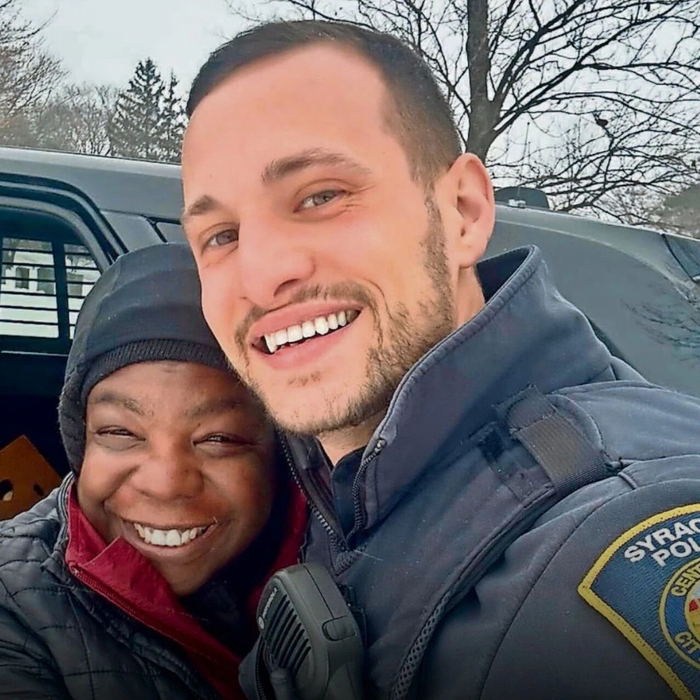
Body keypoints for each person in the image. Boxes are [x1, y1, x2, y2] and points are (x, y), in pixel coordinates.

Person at [181, 20, 700, 700]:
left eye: (320, 197)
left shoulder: (608, 558)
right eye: (220, 235)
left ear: (462, 211)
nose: (260, 275)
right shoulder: (336, 475)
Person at [0, 243, 306, 700]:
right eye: (120, 432)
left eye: (219, 438)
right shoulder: (15, 606)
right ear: (82, 441)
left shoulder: (347, 546)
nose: (165, 484)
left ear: (279, 454)